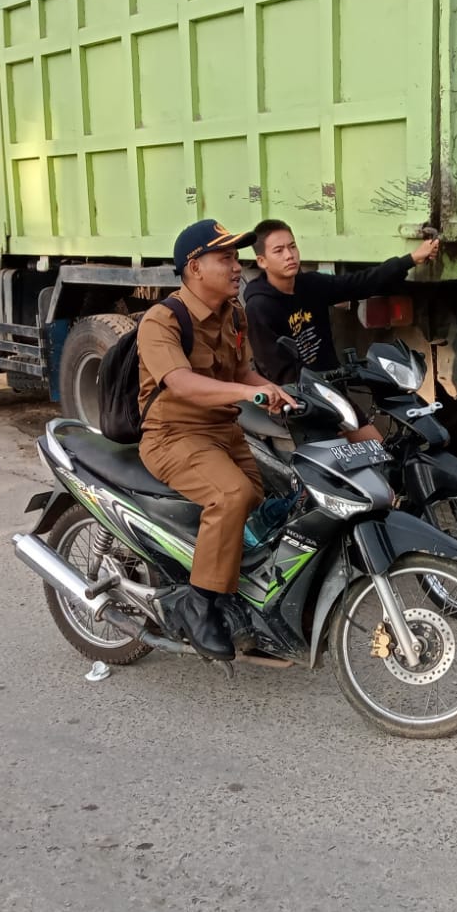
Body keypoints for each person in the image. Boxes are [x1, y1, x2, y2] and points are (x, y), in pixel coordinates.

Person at [136, 219, 294, 662]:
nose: (236, 266)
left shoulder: (234, 313)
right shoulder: (162, 319)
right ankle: (199, 604)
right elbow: (182, 383)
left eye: (236, 257)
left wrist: (277, 394)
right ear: (194, 267)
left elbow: (242, 373)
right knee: (232, 495)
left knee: (264, 500)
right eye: (224, 258)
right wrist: (247, 394)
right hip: (173, 435)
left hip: (224, 431)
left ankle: (227, 588)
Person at [243, 219, 441, 386]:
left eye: (292, 246)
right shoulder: (260, 306)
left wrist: (411, 259)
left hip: (331, 390)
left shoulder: (311, 284)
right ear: (262, 261)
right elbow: (273, 368)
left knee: (373, 433)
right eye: (279, 251)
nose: (289, 255)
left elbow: (360, 283)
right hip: (298, 400)